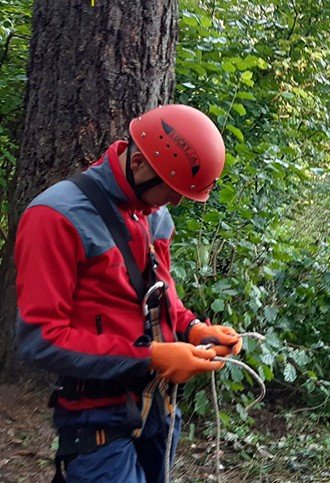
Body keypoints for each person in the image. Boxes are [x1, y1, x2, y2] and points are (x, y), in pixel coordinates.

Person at [15, 104, 245, 482]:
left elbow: (161, 299)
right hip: (97, 419)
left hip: (159, 410)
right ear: (139, 163)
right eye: (171, 192)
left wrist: (193, 330)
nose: (176, 202)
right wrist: (151, 357)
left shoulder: (154, 215)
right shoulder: (56, 217)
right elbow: (42, 339)